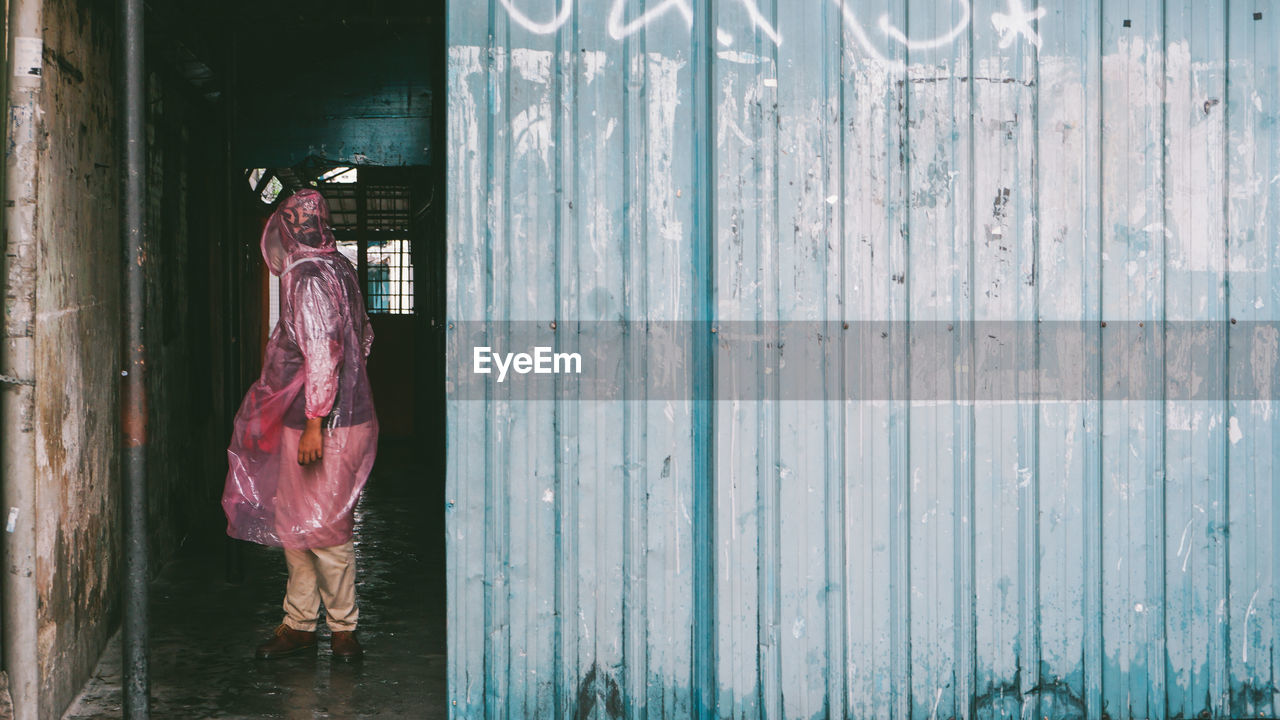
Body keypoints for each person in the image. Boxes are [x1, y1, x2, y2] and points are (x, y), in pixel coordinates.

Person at [221, 188, 378, 662]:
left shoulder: (307, 277)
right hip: (343, 417)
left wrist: (314, 419)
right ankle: (301, 624)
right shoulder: (341, 268)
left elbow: (322, 352)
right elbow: (363, 337)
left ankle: (341, 630)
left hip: (322, 425)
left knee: (325, 530)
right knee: (298, 526)